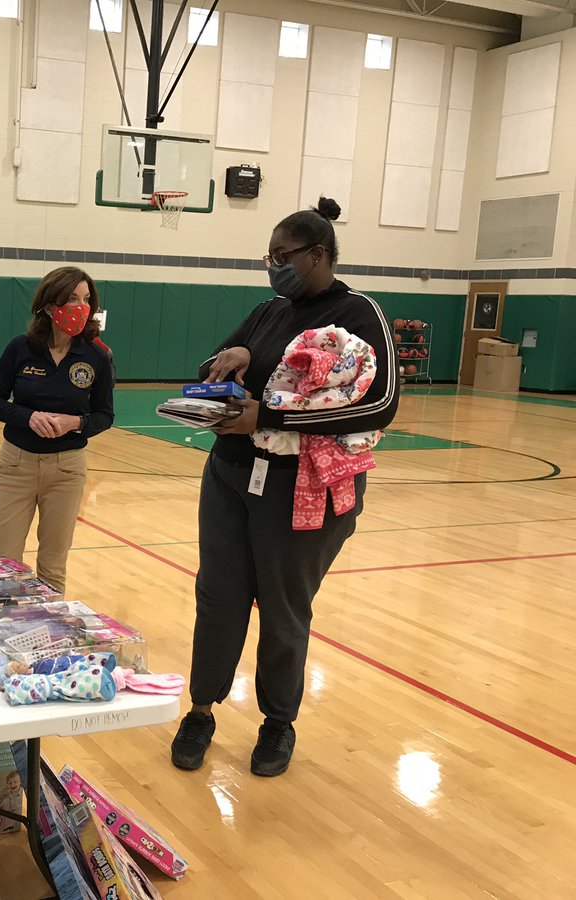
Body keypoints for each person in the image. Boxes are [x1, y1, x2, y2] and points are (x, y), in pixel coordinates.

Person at [169, 197, 399, 778]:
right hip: (230, 475)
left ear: (317, 255)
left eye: (282, 255)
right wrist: (235, 357)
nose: (273, 266)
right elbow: (208, 371)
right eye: (269, 256)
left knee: (283, 607)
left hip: (302, 488)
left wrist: (268, 417)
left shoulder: (359, 314)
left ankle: (277, 721)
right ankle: (201, 710)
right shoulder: (268, 312)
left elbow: (380, 405)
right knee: (217, 597)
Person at [0, 266, 115, 594]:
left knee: (53, 565)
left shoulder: (97, 356)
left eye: (86, 299)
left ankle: (51, 625)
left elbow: (104, 415)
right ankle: (2, 622)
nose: (81, 307)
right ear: (50, 305)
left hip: (67, 470)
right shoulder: (21, 348)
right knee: (5, 563)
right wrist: (28, 417)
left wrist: (76, 423)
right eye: (72, 299)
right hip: (16, 465)